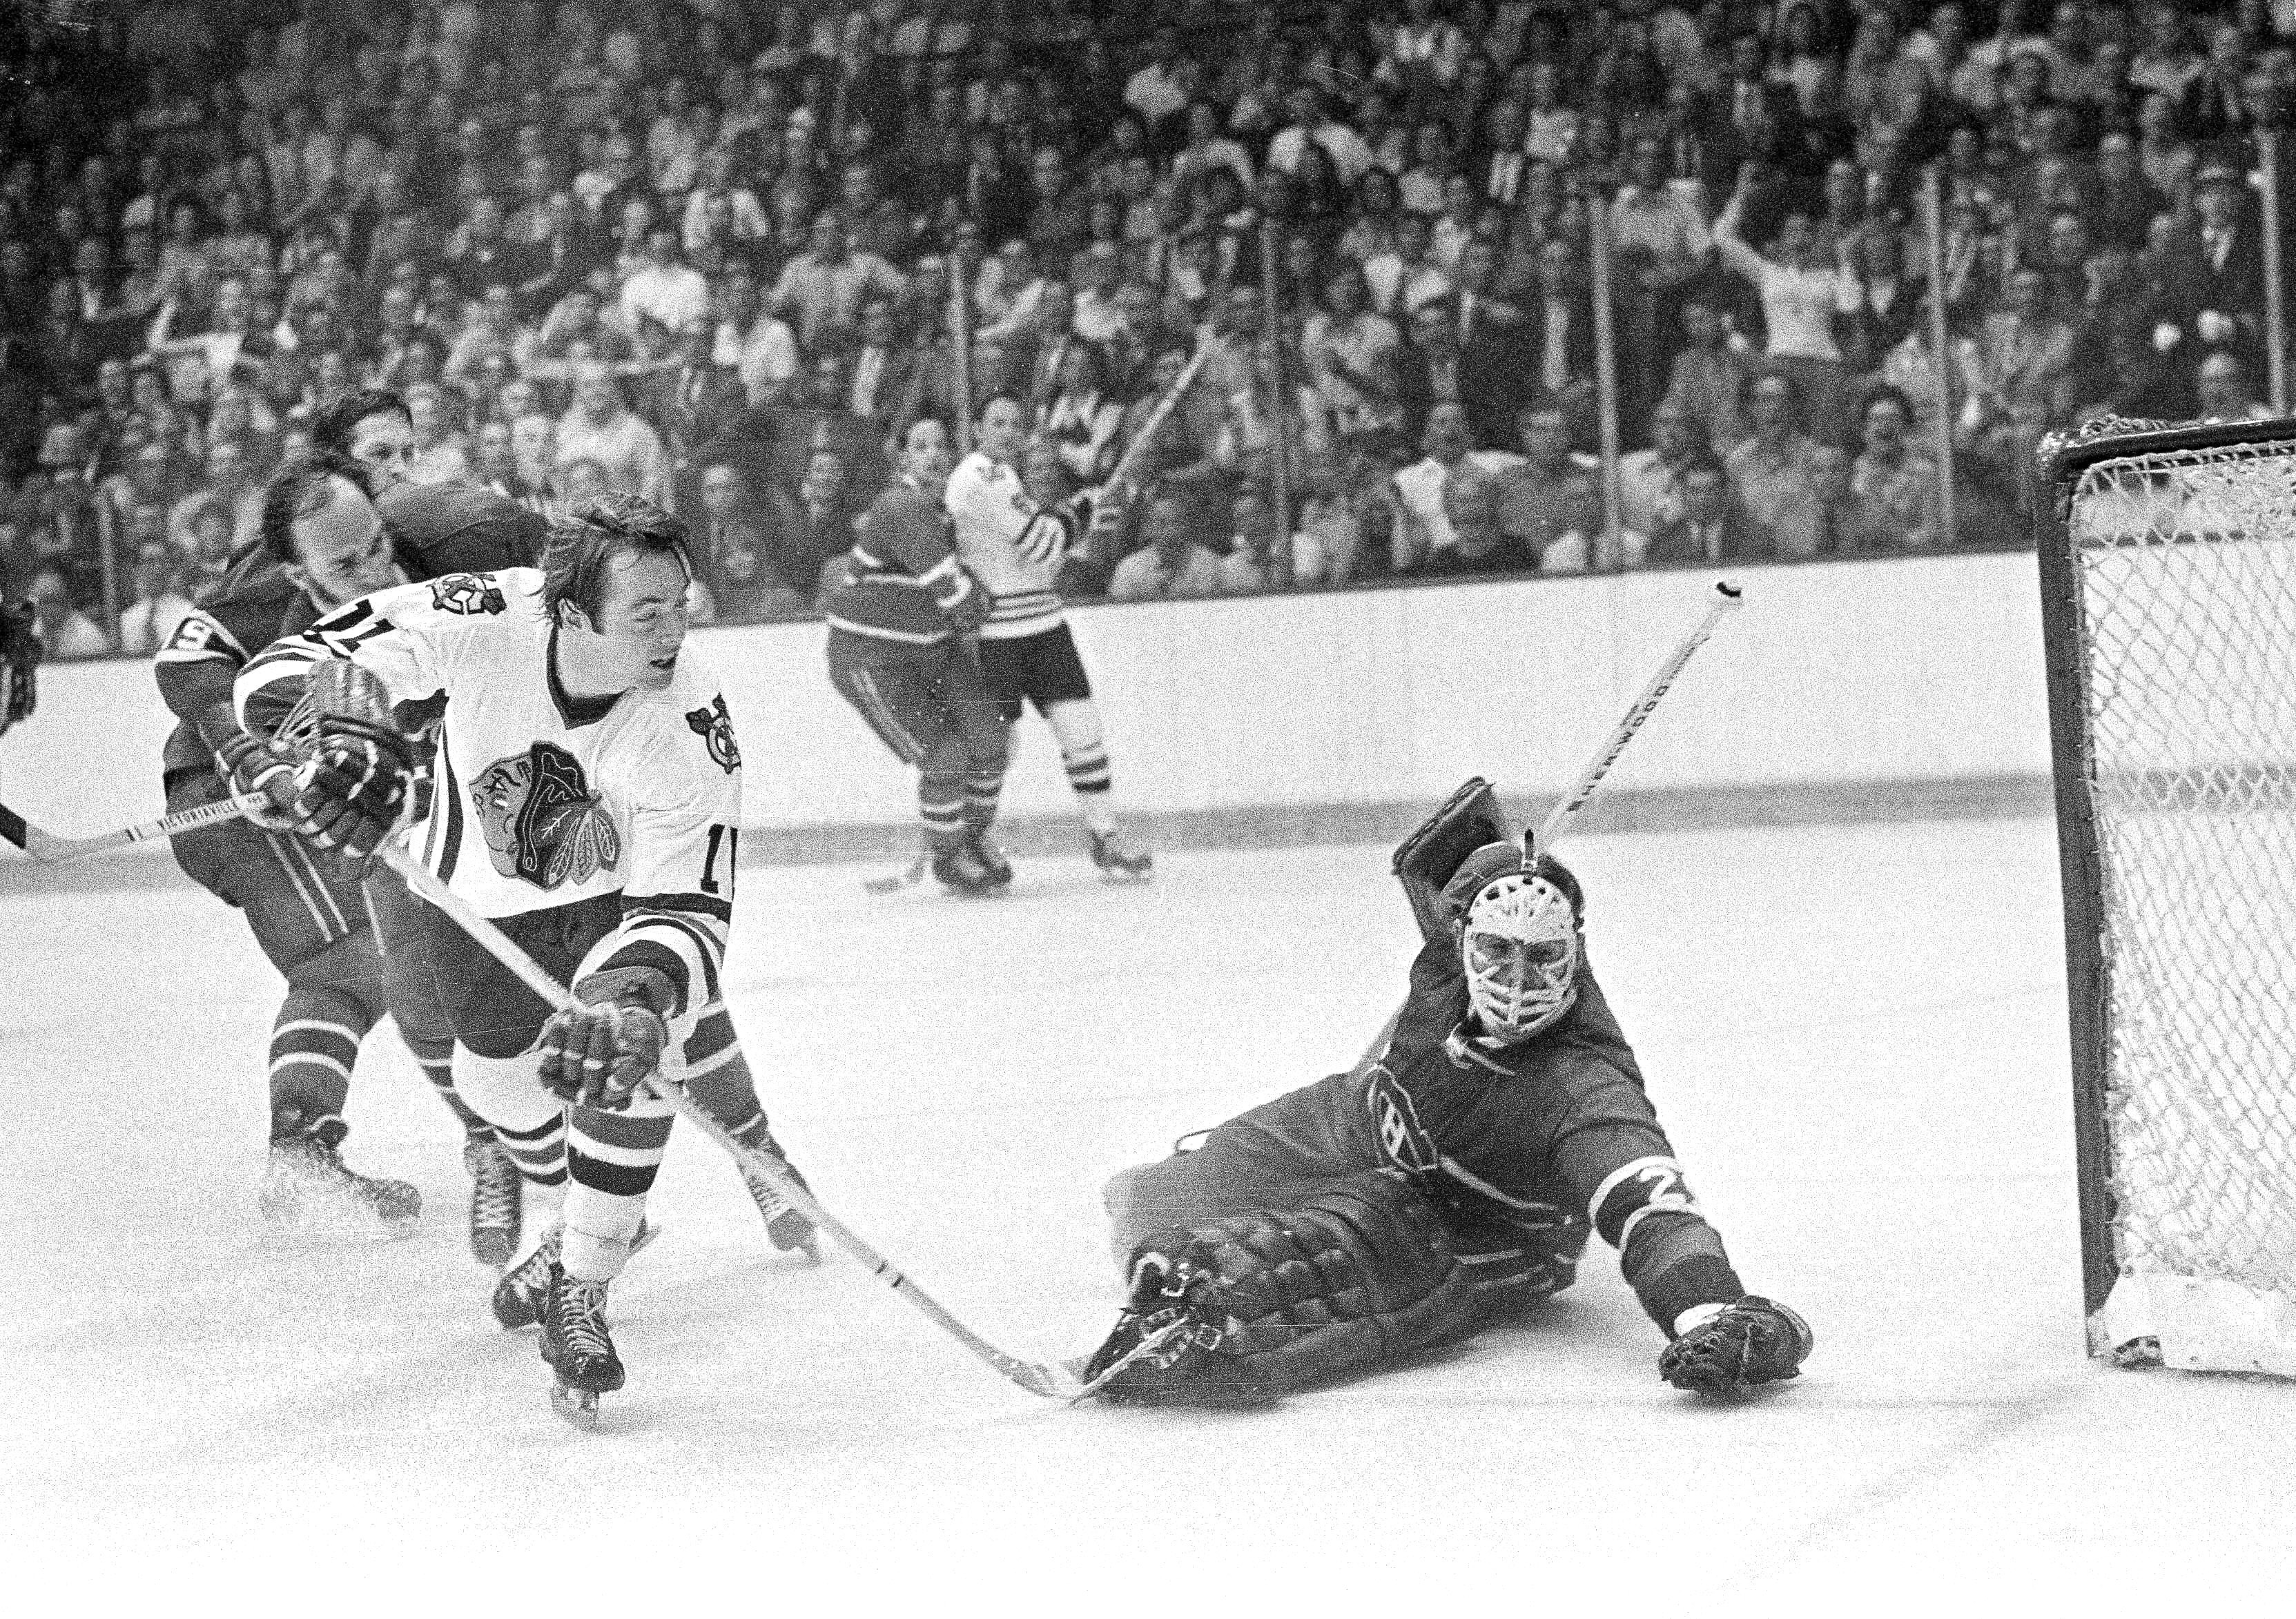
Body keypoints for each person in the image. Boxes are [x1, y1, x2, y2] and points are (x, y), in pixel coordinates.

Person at [233, 494, 815, 1415]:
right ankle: (574, 1210)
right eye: (646, 614)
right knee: (498, 1085)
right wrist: (335, 731)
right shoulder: (485, 614)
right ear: (571, 613)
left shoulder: (688, 720)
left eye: (680, 604)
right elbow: (290, 668)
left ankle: (582, 1281)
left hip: (617, 904)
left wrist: (637, 995)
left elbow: (689, 909)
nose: (674, 632)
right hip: (483, 901)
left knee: (624, 1056)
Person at [1081, 780, 1813, 1406]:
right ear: (1461, 938)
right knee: (1152, 1199)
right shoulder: (1447, 954)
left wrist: (1708, 1311)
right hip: (1358, 1118)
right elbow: (1442, 862)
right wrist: (1504, 858)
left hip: (1472, 1225)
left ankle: (1195, 1325)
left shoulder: (1583, 1090)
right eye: (1496, 951)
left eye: (1544, 958)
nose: (1517, 980)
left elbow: (1653, 1212)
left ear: (1575, 954)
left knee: (1315, 1256)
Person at [153, 460, 434, 1234]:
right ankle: (299, 1154)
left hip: (302, 804)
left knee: (367, 966)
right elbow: (182, 661)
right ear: (297, 571)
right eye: (345, 564)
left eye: (377, 544)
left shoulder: (419, 573)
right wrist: (248, 754)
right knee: (347, 965)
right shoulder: (265, 586)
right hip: (232, 802)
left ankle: (302, 1153)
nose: (374, 570)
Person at [946, 393, 1152, 881]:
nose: (1008, 432)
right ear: (977, 430)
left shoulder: (1006, 477)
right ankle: (970, 839)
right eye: (997, 423)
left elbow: (1043, 549)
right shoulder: (979, 477)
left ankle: (1105, 834)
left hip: (1044, 625)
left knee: (1082, 732)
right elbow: (1040, 545)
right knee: (996, 748)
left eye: (1015, 424)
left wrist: (1074, 517)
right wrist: (1078, 514)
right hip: (997, 636)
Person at [821, 418, 1012, 895]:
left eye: (942, 444)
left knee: (991, 738)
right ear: (903, 457)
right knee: (946, 755)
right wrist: (987, 600)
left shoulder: (947, 509)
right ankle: (948, 857)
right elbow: (956, 594)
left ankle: (971, 838)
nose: (934, 454)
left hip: (932, 650)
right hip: (871, 657)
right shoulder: (901, 507)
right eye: (921, 446)